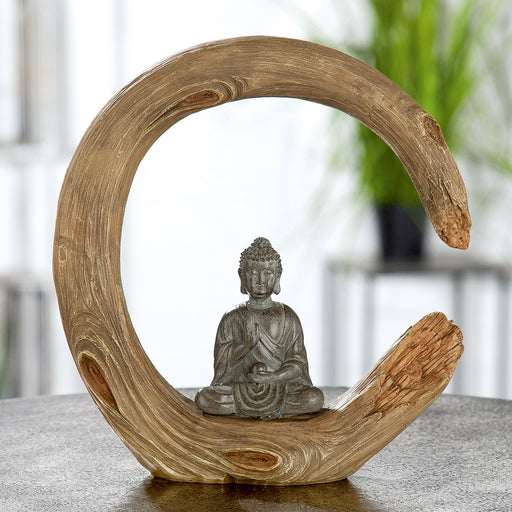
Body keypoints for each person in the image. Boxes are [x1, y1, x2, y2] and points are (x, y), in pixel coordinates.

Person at [195, 237, 324, 418]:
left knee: (314, 398)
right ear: (242, 276)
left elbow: (298, 364)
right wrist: (245, 346)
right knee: (205, 398)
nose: (260, 281)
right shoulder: (232, 318)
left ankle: (258, 408)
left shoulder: (288, 317)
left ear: (278, 276)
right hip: (242, 389)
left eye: (268, 273)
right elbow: (222, 367)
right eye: (253, 273)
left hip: (280, 388)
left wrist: (273, 377)